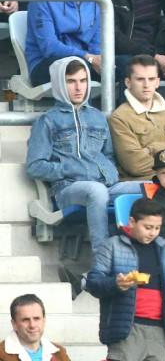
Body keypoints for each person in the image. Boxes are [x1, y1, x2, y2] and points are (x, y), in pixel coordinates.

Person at [25, 56, 116, 268]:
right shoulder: (47, 121)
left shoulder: (98, 117)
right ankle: (101, 266)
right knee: (96, 191)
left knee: (145, 188)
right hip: (67, 189)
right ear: (59, 83)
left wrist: (110, 173)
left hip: (104, 184)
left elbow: (109, 155)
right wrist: (70, 169)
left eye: (83, 81)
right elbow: (35, 166)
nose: (78, 87)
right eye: (71, 81)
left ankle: (141, 262)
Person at [84, 198, 165, 361]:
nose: (153, 233)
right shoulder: (112, 245)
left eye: (157, 228)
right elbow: (93, 283)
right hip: (127, 328)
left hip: (158, 329)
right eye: (148, 227)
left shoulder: (163, 249)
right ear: (132, 222)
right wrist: (115, 284)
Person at [109, 55, 165, 181]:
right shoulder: (119, 118)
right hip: (140, 185)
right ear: (128, 83)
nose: (146, 85)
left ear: (157, 82)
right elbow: (135, 165)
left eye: (151, 79)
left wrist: (153, 148)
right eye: (140, 79)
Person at [0, 294, 78, 361]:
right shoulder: (2, 356)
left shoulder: (59, 353)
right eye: (25, 320)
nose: (32, 325)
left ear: (44, 321)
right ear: (14, 324)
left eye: (36, 318)